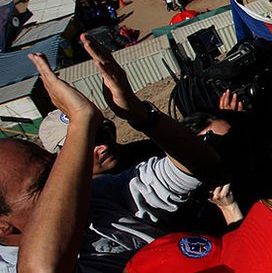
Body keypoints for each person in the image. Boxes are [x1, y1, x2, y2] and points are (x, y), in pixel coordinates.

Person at [5, 34, 219, 270]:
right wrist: (81, 118)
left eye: (56, 169)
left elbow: (200, 164)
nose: (61, 181)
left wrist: (139, 114)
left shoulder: (97, 196)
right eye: (41, 185)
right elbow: (44, 268)